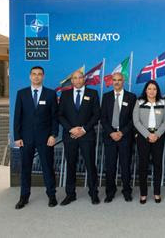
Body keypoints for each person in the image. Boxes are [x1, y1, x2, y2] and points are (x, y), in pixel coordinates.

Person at [13, 66, 58, 209]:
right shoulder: (22, 94)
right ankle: (23, 197)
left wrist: (53, 135)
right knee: (25, 168)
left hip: (45, 139)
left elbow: (54, 118)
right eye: (34, 74)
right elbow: (17, 117)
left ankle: (52, 196)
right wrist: (17, 136)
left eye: (39, 74)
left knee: (47, 168)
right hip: (25, 139)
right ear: (30, 76)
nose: (36, 76)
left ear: (43, 76)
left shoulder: (50, 94)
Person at [58, 70, 101, 206]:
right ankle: (70, 194)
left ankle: (94, 193)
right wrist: (71, 129)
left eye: (80, 77)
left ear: (84, 79)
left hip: (86, 135)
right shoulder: (64, 94)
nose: (77, 80)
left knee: (90, 165)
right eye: (74, 78)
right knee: (70, 165)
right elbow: (60, 115)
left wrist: (83, 129)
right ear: (71, 81)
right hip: (70, 135)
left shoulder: (92, 93)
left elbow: (96, 115)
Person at [100, 72, 137, 203]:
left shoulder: (131, 97)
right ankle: (110, 192)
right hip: (110, 137)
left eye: (119, 80)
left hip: (125, 137)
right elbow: (103, 118)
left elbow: (134, 119)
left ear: (123, 81)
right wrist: (111, 132)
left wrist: (122, 132)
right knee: (110, 166)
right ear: (112, 81)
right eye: (114, 80)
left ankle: (127, 191)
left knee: (125, 165)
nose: (116, 82)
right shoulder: (106, 97)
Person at [133, 80, 165, 204]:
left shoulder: (163, 102)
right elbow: (136, 121)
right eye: (149, 89)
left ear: (157, 90)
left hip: (158, 137)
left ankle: (157, 193)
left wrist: (157, 135)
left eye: (154, 89)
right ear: (146, 90)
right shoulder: (139, 102)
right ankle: (143, 193)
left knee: (158, 165)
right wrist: (148, 135)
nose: (152, 91)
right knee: (143, 165)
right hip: (143, 137)